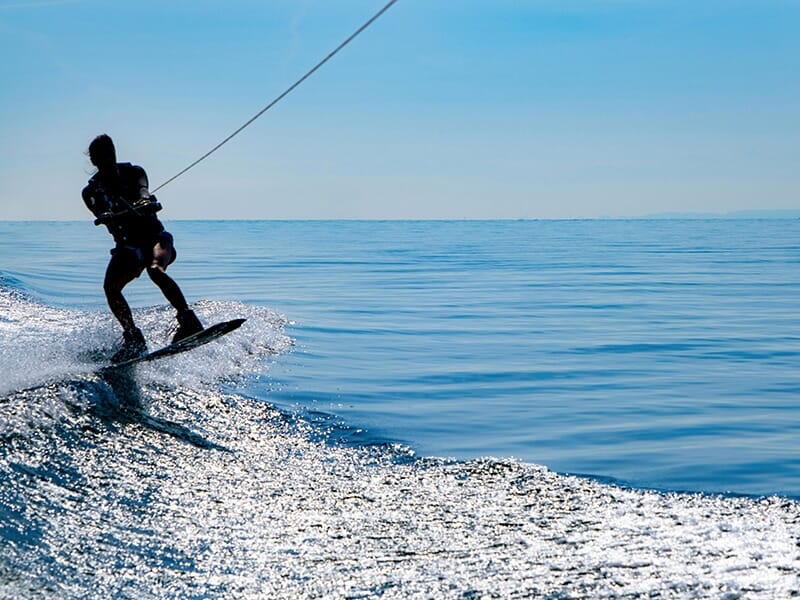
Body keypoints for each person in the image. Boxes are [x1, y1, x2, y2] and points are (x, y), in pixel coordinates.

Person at [82, 134, 203, 362]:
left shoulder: (134, 172)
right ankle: (133, 337)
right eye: (103, 156)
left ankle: (188, 321)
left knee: (155, 270)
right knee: (111, 287)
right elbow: (97, 211)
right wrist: (104, 215)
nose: (109, 159)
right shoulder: (90, 192)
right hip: (128, 248)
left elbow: (142, 189)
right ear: (94, 161)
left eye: (111, 153)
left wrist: (145, 199)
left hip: (156, 239)